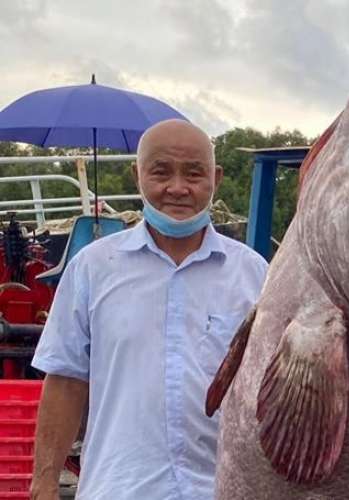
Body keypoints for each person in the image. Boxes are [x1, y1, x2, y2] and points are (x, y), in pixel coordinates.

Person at [29, 119, 268, 500]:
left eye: (194, 173)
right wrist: (43, 483)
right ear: (136, 174)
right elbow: (65, 381)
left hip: (223, 489)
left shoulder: (254, 274)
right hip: (120, 488)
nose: (177, 187)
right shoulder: (94, 267)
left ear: (216, 179)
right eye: (161, 172)